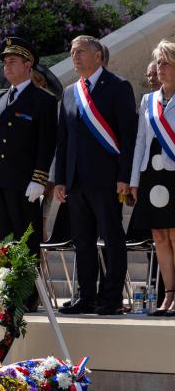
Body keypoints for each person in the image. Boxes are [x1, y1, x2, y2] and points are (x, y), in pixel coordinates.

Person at [55, 35, 137, 315]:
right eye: (72, 51)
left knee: (112, 239)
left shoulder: (118, 87)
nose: (74, 56)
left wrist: (125, 175)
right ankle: (86, 295)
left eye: (80, 51)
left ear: (98, 56)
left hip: (108, 179)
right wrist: (60, 179)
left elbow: (128, 136)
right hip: (76, 181)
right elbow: (63, 140)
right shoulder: (69, 92)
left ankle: (111, 297)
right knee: (83, 241)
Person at [0, 40, 57, 272]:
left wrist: (39, 177)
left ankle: (28, 293)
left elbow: (47, 142)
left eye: (13, 61)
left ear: (28, 65)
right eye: (5, 62)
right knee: (2, 239)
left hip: (23, 180)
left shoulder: (43, 100)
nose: (7, 66)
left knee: (25, 238)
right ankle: (4, 289)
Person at [130, 40, 175, 316]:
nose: (161, 69)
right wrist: (135, 179)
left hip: (174, 174)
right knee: (159, 236)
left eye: (167, 63)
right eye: (159, 63)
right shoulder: (149, 100)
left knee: (174, 235)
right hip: (151, 174)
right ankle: (168, 294)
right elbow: (140, 142)